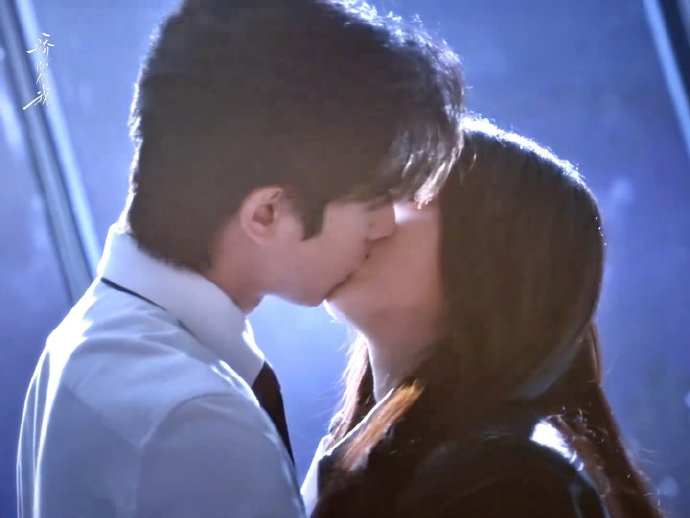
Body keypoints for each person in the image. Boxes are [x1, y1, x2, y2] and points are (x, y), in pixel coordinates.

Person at [16, 1, 464, 516]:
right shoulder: (198, 422)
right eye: (373, 201)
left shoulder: (83, 342)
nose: (385, 226)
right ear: (267, 214)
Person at [302, 119, 662, 517]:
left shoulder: (513, 485)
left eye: (407, 193)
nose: (368, 216)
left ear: (493, 258)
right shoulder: (377, 454)